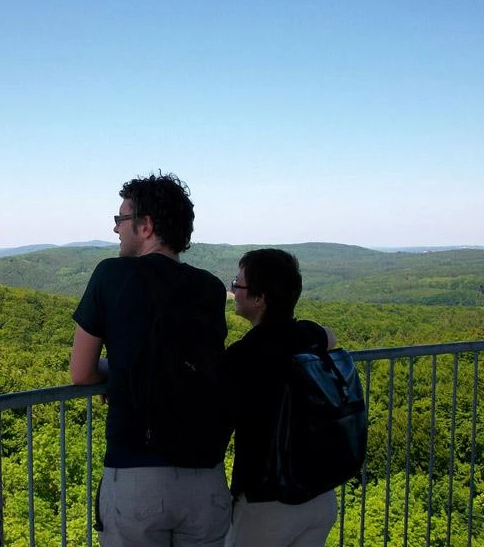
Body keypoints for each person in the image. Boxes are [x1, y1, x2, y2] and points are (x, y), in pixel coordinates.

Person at [70, 172, 232, 547]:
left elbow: (81, 372)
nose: (115, 230)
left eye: (121, 219)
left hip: (137, 470)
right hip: (206, 473)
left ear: (145, 226)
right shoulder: (208, 286)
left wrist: (117, 373)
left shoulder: (112, 274)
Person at [220, 248, 338, 547]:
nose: (233, 289)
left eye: (238, 284)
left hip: (267, 501)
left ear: (259, 298)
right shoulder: (308, 334)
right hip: (319, 494)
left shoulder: (243, 355)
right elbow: (331, 336)